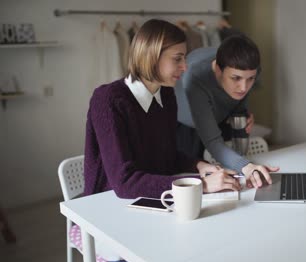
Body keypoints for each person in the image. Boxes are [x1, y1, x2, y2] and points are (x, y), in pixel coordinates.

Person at [84, 19, 241, 199]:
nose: (184, 66)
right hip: (104, 206)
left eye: (184, 57)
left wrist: (199, 166)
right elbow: (124, 183)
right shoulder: (107, 100)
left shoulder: (166, 95)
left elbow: (168, 157)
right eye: (177, 58)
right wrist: (201, 184)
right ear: (152, 55)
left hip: (152, 198)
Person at [175, 35, 279, 189]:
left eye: (250, 79)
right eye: (236, 78)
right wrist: (248, 167)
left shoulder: (248, 68)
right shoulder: (195, 77)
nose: (244, 87)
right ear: (218, 69)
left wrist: (242, 113)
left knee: (231, 178)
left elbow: (240, 98)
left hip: (221, 120)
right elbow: (213, 142)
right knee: (195, 184)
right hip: (187, 127)